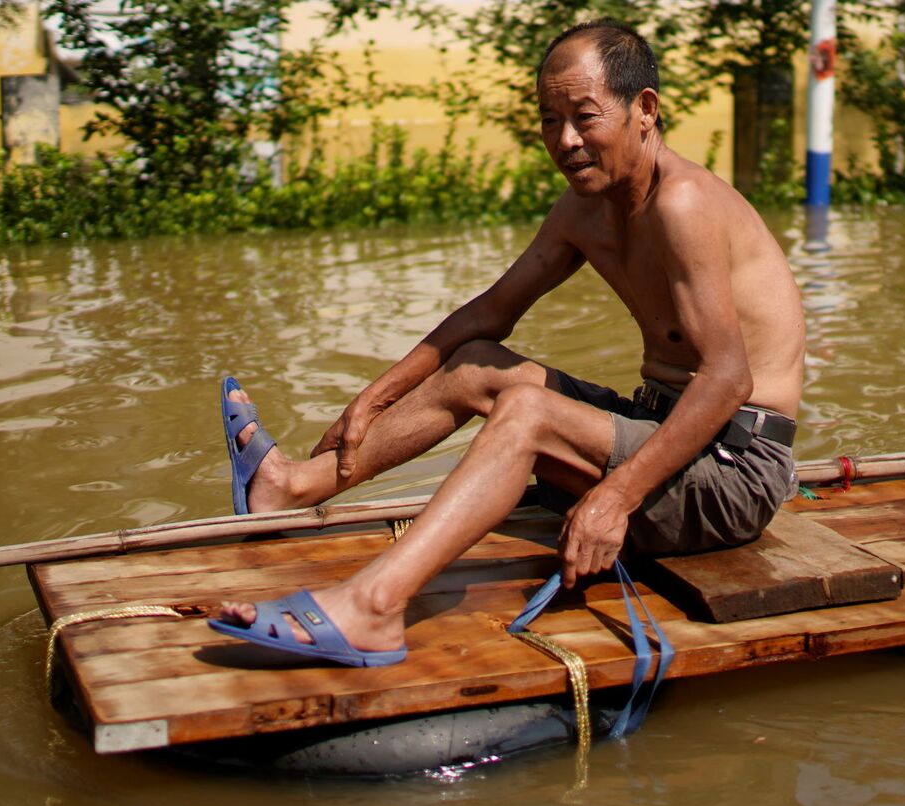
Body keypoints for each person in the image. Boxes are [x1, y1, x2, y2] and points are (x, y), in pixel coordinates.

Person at [210, 21, 806, 665]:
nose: (566, 141)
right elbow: (489, 313)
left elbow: (726, 380)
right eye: (550, 120)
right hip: (661, 428)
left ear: (645, 110)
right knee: (477, 369)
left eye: (584, 117)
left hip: (733, 473)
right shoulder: (585, 208)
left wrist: (612, 499)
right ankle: (292, 488)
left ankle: (373, 610)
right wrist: (372, 399)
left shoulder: (683, 203)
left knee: (526, 413)